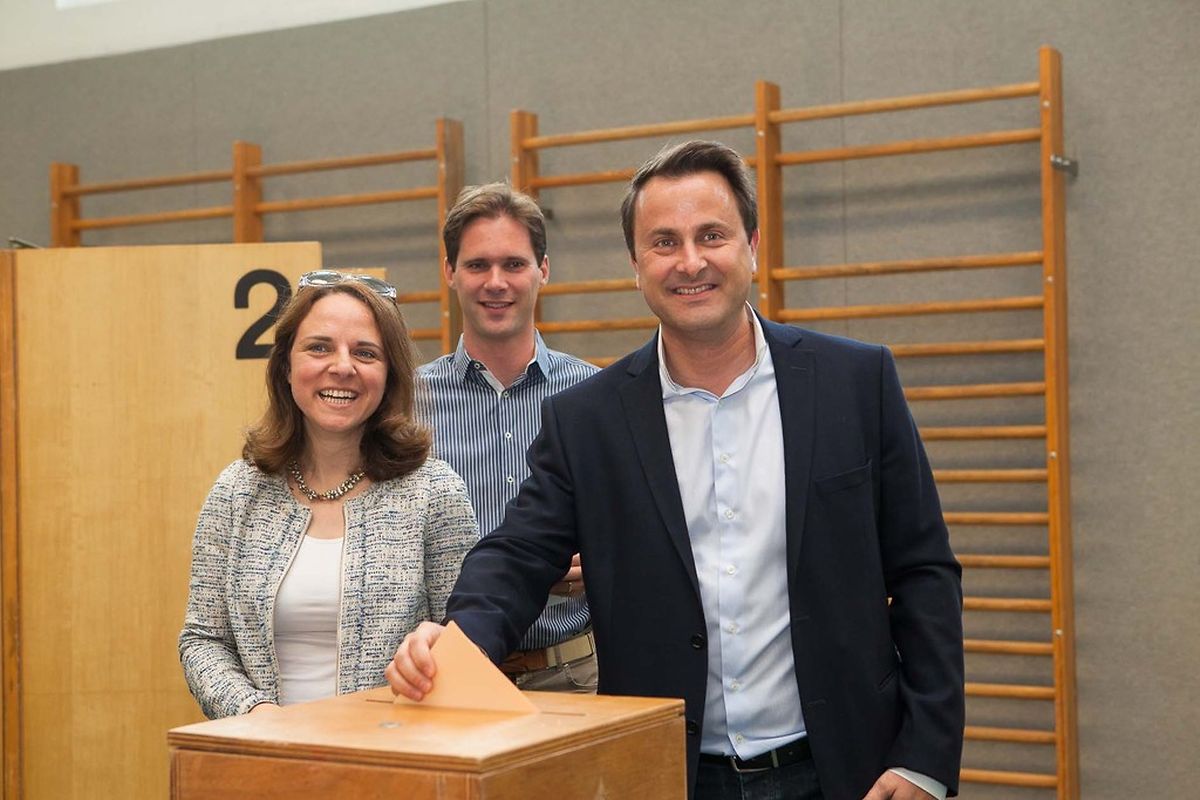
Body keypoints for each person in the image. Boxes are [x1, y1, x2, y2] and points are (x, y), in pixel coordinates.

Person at [387, 142, 964, 800]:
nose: (690, 262)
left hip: (844, 771)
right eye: (664, 242)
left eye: (711, 235)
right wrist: (456, 637)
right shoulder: (588, 419)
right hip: (667, 773)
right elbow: (517, 555)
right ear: (637, 265)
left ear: (751, 243)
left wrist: (925, 755)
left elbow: (924, 573)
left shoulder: (855, 383)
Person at [180, 271, 477, 719]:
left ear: (389, 373)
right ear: (286, 365)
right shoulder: (236, 492)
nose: (342, 366)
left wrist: (438, 648)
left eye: (366, 352)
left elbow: (468, 636)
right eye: (319, 347)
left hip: (395, 764)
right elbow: (203, 640)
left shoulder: (434, 492)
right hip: (265, 764)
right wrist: (254, 712)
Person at [414, 183, 600, 691]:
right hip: (445, 677)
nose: (496, 282)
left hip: (571, 673)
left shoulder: (595, 398)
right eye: (477, 265)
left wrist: (603, 559)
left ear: (544, 269)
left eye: (514, 264)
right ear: (449, 272)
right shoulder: (405, 407)